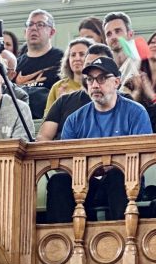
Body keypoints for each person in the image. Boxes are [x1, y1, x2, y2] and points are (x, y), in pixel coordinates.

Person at [46, 57, 151, 224]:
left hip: (125, 181)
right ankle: (61, 244)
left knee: (118, 176)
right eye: (90, 79)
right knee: (59, 181)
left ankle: (124, 240)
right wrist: (91, 169)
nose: (95, 85)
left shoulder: (136, 112)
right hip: (85, 182)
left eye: (102, 78)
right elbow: (65, 163)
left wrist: (113, 164)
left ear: (116, 82)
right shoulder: (74, 119)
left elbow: (144, 157)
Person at [36, 43, 113, 142]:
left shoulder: (125, 100)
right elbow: (43, 137)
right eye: (89, 66)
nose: (94, 72)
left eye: (99, 66)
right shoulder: (63, 101)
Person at [14, 10, 63, 118]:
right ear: (25, 32)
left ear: (51, 32)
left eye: (40, 24)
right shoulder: (15, 64)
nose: (33, 28)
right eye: (30, 24)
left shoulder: (63, 60)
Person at [43, 37, 92, 114]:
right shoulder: (58, 87)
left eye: (82, 54)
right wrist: (60, 104)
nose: (77, 58)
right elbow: (47, 118)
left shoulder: (97, 85)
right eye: (73, 55)